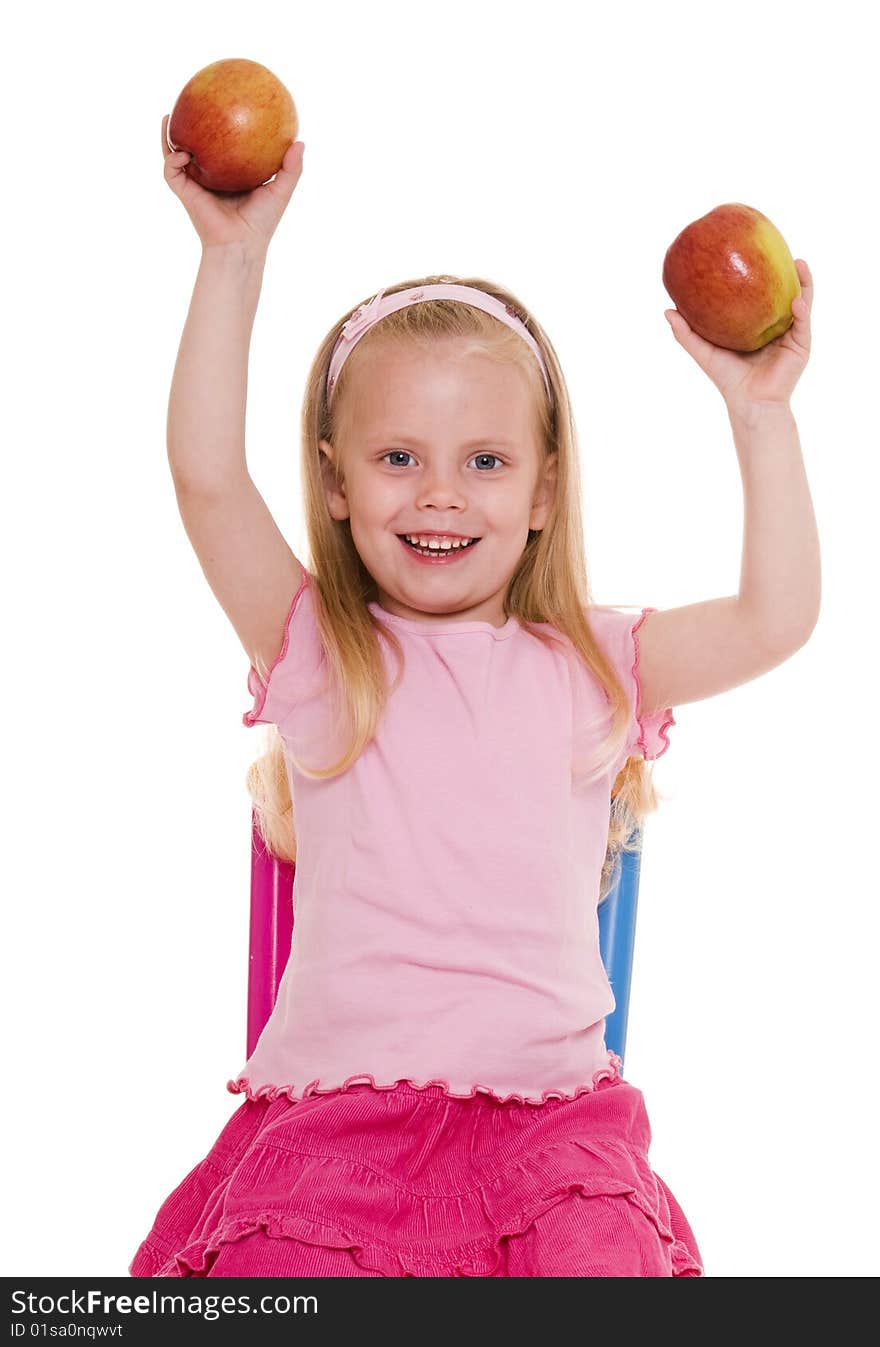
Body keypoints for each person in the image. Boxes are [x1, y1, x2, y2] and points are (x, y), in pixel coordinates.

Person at [130, 117, 820, 1279]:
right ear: (335, 483)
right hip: (336, 1144)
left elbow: (776, 618)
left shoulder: (595, 665)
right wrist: (231, 259)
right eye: (397, 458)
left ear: (546, 489)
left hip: (552, 1142)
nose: (438, 494)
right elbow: (205, 477)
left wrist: (762, 415)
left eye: (484, 461)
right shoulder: (319, 649)